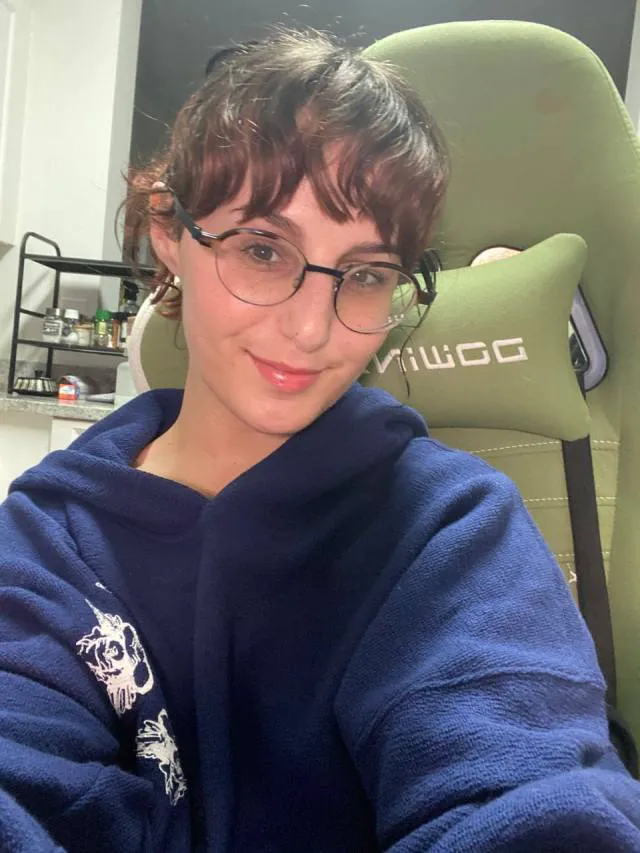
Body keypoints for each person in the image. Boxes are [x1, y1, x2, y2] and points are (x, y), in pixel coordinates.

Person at [1, 28, 639, 853]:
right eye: (264, 250)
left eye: (366, 275)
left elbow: (531, 795)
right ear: (171, 234)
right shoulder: (51, 540)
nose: (311, 329)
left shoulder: (451, 529)